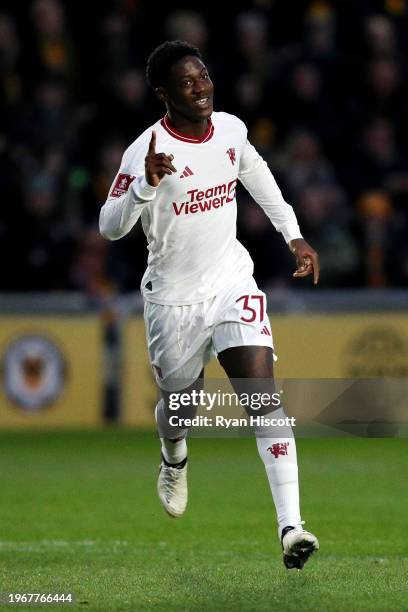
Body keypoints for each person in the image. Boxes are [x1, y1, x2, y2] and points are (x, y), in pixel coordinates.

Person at [99, 40, 320, 569]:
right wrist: (144, 188)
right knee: (180, 407)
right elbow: (110, 227)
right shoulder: (145, 149)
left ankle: (292, 526)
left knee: (261, 395)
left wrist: (294, 235)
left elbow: (259, 178)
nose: (201, 87)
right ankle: (174, 456)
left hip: (230, 281)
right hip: (173, 300)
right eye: (187, 82)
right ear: (163, 94)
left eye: (203, 75)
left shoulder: (231, 129)